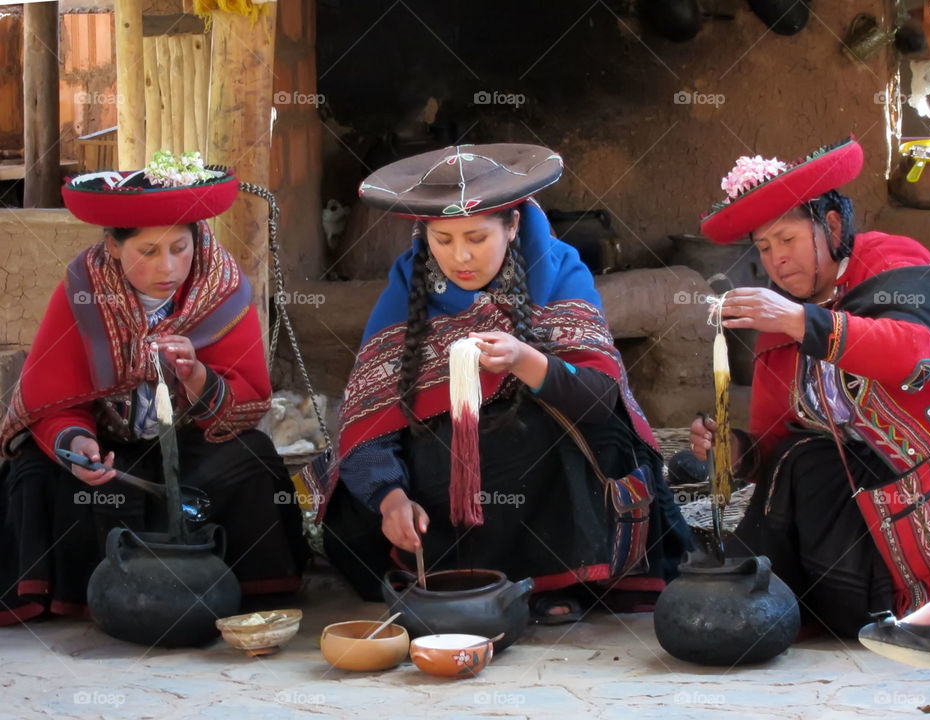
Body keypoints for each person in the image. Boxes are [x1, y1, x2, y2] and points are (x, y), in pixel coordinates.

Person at [311, 144, 691, 622]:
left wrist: (524, 360)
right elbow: (370, 420)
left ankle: (555, 580)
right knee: (400, 471)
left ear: (512, 227)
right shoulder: (407, 285)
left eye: (476, 237)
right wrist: (389, 499)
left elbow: (600, 400)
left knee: (555, 436)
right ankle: (447, 577)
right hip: (439, 486)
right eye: (442, 240)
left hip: (544, 469)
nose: (460, 256)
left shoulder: (560, 272)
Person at [0, 153, 308, 626]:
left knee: (253, 458)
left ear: (198, 240)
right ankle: (76, 593)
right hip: (108, 452)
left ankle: (244, 584)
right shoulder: (84, 290)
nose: (168, 267)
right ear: (114, 245)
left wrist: (197, 378)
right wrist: (75, 443)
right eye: (147, 251)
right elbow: (52, 397)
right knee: (38, 472)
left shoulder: (223, 288)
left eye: (180, 248)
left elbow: (247, 402)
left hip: (192, 448)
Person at [689, 137, 930, 637]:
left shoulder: (888, 261)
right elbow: (772, 447)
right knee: (799, 458)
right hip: (862, 505)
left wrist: (803, 322)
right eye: (764, 248)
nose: (776, 262)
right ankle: (806, 606)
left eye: (788, 239)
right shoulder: (777, 326)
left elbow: (913, 356)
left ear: (830, 226)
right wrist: (734, 450)